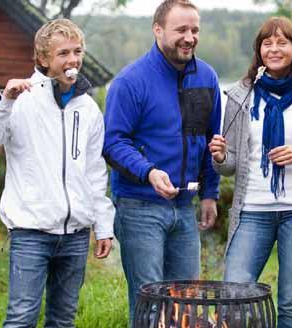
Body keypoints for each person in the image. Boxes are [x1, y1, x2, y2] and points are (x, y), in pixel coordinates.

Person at [0, 19, 114, 327]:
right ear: (43, 59)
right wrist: (3, 101)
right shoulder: (19, 101)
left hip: (75, 236)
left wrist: (102, 225)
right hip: (31, 234)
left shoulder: (88, 109)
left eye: (77, 52)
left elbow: (95, 173)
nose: (72, 60)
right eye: (63, 53)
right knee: (21, 319)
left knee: (63, 321)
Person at [208, 17, 292, 328]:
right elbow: (230, 166)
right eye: (267, 43)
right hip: (252, 210)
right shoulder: (241, 95)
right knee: (234, 292)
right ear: (258, 51)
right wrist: (221, 155)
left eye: (282, 42)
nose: (274, 49)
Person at [102, 0, 221, 323]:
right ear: (157, 30)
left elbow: (211, 140)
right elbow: (112, 144)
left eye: (195, 30)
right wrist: (149, 172)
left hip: (185, 208)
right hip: (139, 207)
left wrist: (210, 193)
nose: (190, 37)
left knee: (185, 304)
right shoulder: (130, 82)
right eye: (181, 29)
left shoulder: (207, 78)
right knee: (149, 302)